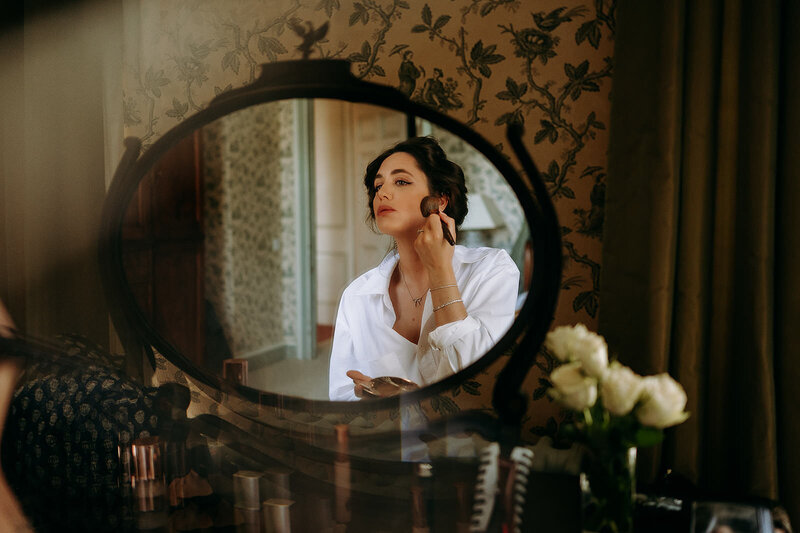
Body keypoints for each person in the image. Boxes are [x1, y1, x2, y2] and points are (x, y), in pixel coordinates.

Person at [328, 137, 520, 401]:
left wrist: (440, 270)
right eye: (378, 186)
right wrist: (368, 398)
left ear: (440, 201)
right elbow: (340, 393)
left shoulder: (492, 270)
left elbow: (478, 387)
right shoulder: (357, 296)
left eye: (402, 181)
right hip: (389, 438)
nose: (382, 193)